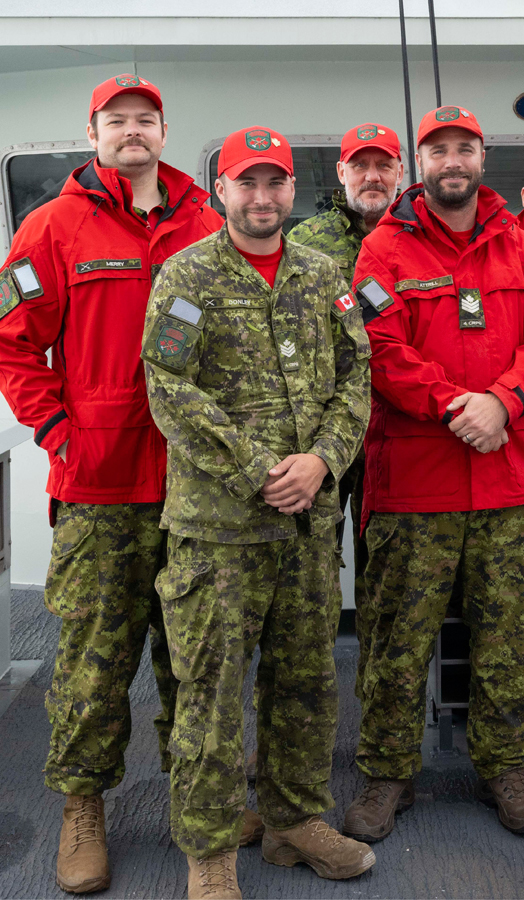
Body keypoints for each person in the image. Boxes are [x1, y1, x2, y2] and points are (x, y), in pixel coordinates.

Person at [0, 74, 223, 894]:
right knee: (95, 662)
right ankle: (83, 807)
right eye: (116, 120)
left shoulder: (208, 222)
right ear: (92, 132)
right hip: (97, 489)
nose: (133, 132)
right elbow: (15, 346)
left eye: (146, 120)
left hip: (197, 488)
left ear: (165, 132)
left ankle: (196, 800)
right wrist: (58, 432)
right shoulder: (51, 227)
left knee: (193, 659)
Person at [142, 126, 374, 899]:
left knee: (307, 681)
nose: (263, 197)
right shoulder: (187, 275)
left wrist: (323, 461)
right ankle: (209, 850)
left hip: (308, 524)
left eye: (275, 182)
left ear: (291, 192)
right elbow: (169, 387)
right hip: (220, 530)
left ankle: (294, 821)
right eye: (248, 182)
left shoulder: (321, 276)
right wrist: (257, 468)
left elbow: (356, 375)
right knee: (211, 691)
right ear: (222, 191)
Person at [348, 105, 524, 839]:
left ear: (482, 158)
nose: (453, 159)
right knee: (395, 639)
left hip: (509, 481)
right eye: (439, 148)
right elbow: (379, 349)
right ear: (422, 160)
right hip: (416, 482)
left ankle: (505, 767)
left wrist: (503, 403)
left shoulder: (518, 246)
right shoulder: (383, 250)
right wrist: (456, 406)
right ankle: (387, 775)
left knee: (507, 636)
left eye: (465, 148)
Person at [288, 122, 403, 714]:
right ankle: (302, 725)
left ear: (401, 175)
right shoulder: (305, 241)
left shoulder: (420, 237)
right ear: (341, 174)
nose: (372, 177)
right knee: (310, 586)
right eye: (360, 166)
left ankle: (382, 725)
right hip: (327, 439)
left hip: (400, 432)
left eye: (384, 165)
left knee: (388, 582)